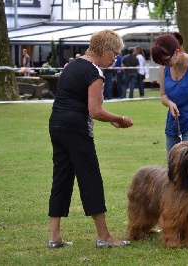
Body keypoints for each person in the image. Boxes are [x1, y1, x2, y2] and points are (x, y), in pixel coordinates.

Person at [48, 29, 133, 249]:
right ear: (104, 50)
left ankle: (55, 236)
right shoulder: (95, 72)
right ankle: (104, 236)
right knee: (90, 178)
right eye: (114, 53)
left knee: (62, 177)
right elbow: (94, 111)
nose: (115, 58)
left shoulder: (72, 65)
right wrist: (119, 118)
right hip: (76, 128)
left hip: (56, 125)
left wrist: (111, 119)